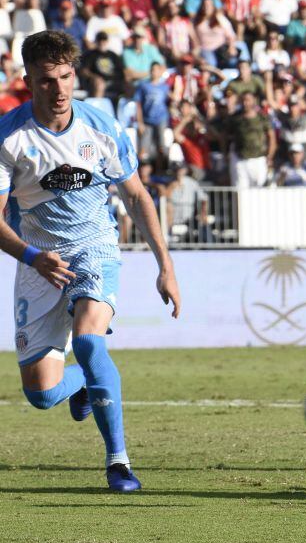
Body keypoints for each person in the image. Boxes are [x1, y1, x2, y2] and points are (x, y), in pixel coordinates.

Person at [0, 30, 180, 492]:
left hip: (95, 248)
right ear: (28, 80)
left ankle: (118, 461)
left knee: (88, 341)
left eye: (64, 77)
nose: (57, 90)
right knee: (41, 395)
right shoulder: (9, 138)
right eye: (45, 81)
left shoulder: (102, 128)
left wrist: (166, 266)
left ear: (75, 75)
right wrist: (32, 255)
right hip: (38, 258)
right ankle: (82, 384)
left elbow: (137, 196)